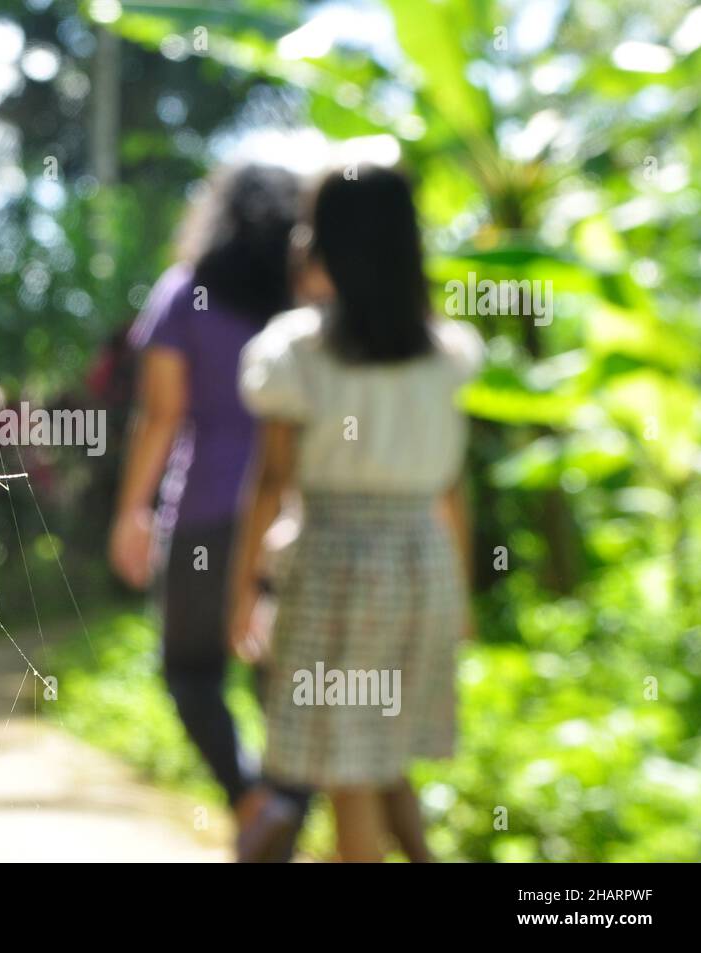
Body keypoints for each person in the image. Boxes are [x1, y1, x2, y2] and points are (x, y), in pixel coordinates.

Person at [229, 165, 482, 862]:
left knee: (348, 770)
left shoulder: (295, 351)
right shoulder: (448, 353)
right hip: (423, 565)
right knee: (379, 753)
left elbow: (271, 484)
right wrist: (460, 597)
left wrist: (244, 593)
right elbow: (453, 489)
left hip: (335, 565)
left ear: (326, 242)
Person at [108, 163, 307, 861]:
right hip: (295, 522)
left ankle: (250, 800)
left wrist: (130, 509)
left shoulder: (185, 292)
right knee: (286, 689)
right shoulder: (306, 302)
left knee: (191, 671)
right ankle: (278, 812)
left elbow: (161, 415)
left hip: (202, 517)